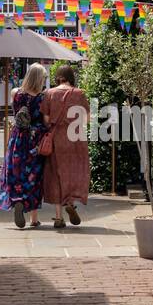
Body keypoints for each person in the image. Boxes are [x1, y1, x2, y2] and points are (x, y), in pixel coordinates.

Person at [0, 63, 47, 229]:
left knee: (16, 173)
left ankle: (17, 201)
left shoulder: (16, 93)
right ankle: (33, 218)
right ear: (40, 79)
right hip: (34, 140)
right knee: (33, 177)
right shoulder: (42, 97)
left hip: (17, 138)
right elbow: (45, 121)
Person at [41, 63, 90, 230]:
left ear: (58, 77)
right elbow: (87, 119)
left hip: (56, 139)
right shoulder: (79, 94)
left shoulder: (49, 93)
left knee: (55, 175)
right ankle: (70, 202)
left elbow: (46, 120)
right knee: (73, 172)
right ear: (71, 77)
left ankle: (58, 217)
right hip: (76, 138)